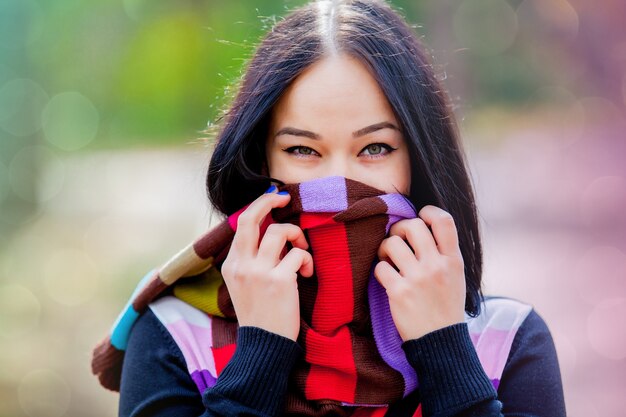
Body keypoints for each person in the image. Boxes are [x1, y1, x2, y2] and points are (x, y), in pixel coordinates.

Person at [114, 0, 566, 416]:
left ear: (420, 161)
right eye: (303, 151)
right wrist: (259, 355)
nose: (338, 187)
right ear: (261, 162)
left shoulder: (506, 341)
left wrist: (444, 350)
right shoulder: (175, 336)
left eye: (374, 148)